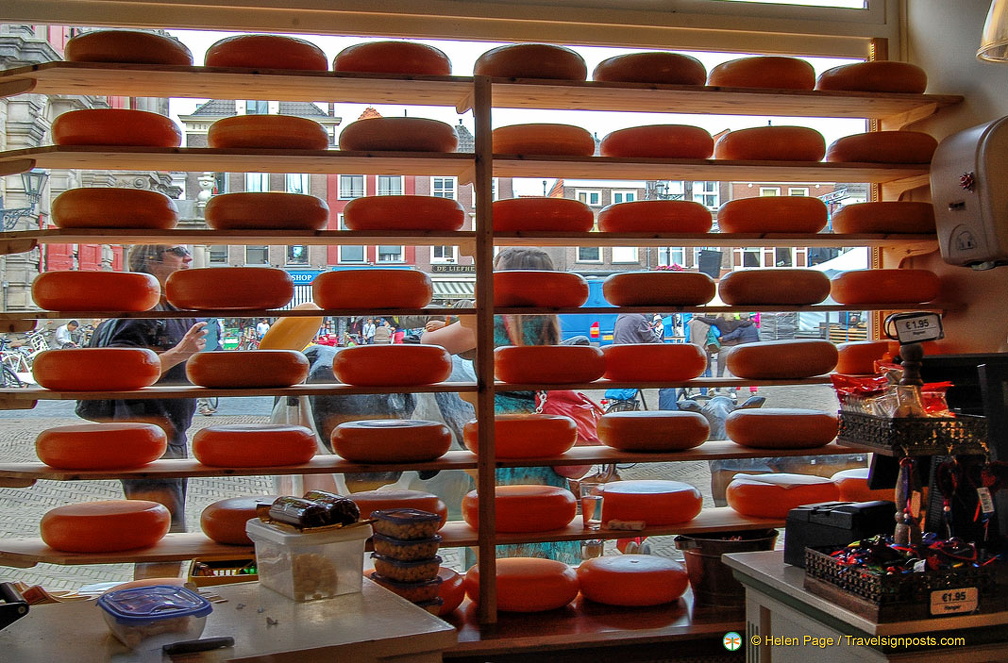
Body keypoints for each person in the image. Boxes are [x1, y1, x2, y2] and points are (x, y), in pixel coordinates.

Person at [421, 247, 581, 564]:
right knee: (539, 512)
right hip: (544, 432)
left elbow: (432, 346)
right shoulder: (548, 321)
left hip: (501, 432)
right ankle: (544, 580)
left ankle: (503, 587)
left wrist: (433, 329)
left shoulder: (488, 319)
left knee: (502, 516)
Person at [106, 245, 207, 576]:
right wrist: (180, 352)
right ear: (151, 259)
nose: (188, 259)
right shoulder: (139, 311)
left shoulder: (164, 306)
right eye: (178, 252)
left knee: (166, 530)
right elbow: (121, 369)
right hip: (144, 436)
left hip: (165, 434)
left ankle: (157, 605)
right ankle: (153, 612)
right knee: (161, 534)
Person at [612, 313, 678, 410]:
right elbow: (652, 340)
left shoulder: (621, 316)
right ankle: (668, 416)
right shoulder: (639, 319)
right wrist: (669, 349)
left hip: (622, 365)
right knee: (668, 381)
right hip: (635, 367)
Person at [197, 317, 223, 415]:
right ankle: (203, 406)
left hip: (207, 350)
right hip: (204, 351)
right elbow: (218, 333)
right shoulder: (210, 320)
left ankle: (205, 405)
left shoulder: (210, 320)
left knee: (205, 379)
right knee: (203, 379)